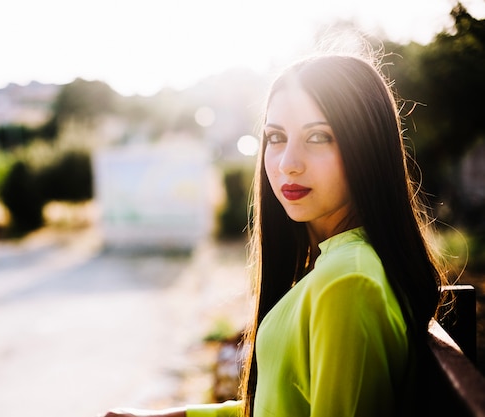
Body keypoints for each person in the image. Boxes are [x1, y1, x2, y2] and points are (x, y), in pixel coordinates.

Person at [103, 50, 449, 417]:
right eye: (275, 137)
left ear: (366, 147)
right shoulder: (344, 264)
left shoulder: (347, 283)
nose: (288, 164)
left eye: (318, 137)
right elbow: (281, 404)